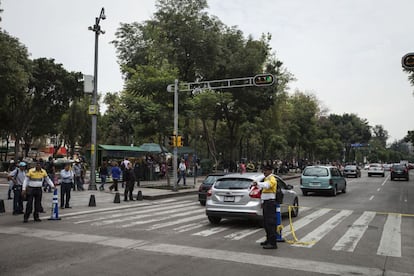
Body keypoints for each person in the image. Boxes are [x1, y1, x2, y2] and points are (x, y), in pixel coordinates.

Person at [252, 165, 278, 249]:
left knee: (270, 223)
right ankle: (268, 239)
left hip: (270, 203)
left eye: (265, 170)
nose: (264, 172)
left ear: (270, 171)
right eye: (263, 170)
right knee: (266, 223)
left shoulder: (272, 179)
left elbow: (267, 186)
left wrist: (258, 183)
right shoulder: (266, 178)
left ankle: (273, 243)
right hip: (266, 203)